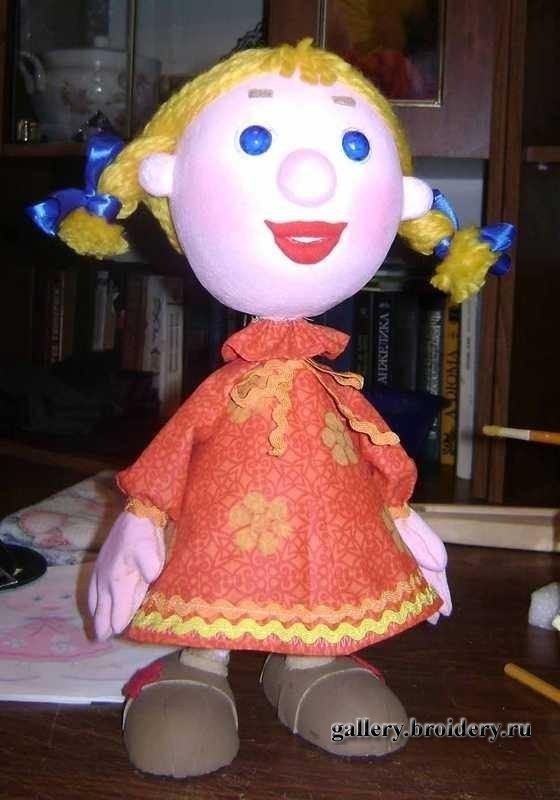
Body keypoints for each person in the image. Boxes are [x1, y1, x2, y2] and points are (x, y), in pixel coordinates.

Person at [27, 38, 513, 779]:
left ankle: (309, 662)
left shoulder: (330, 386)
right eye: (255, 139)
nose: (310, 177)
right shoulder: (228, 389)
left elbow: (378, 450)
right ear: (168, 178)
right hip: (217, 542)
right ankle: (198, 664)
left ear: (405, 200)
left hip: (327, 545)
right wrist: (141, 519)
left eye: (354, 147)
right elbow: (171, 456)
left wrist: (400, 513)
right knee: (211, 595)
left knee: (320, 580)